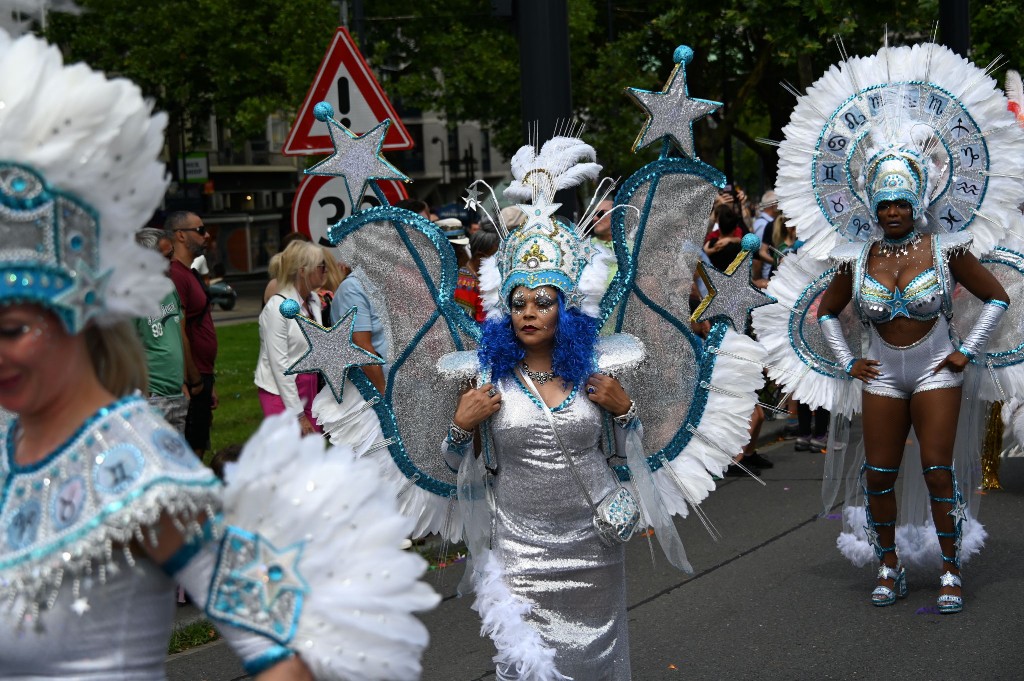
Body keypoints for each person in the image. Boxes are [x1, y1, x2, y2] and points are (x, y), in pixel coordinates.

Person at [254, 240, 327, 435]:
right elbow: (280, 365)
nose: (326, 270)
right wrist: (298, 415)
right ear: (303, 271)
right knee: (290, 455)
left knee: (312, 454)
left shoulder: (313, 302)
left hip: (310, 386)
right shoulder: (278, 307)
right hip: (281, 391)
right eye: (321, 266)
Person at [133, 227, 197, 434]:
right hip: (151, 397)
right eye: (168, 256)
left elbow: (179, 334)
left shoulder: (169, 287)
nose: (174, 260)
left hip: (177, 393)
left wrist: (185, 382)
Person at [167, 210, 218, 458]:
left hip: (203, 375)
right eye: (200, 230)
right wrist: (193, 379)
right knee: (191, 454)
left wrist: (209, 383)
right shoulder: (176, 275)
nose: (206, 235)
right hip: (192, 379)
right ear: (181, 236)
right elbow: (178, 329)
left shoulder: (190, 273)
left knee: (199, 444)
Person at [455, 220, 499, 323]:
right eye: (495, 257)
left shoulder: (485, 278)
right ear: (480, 256)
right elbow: (464, 325)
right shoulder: (465, 284)